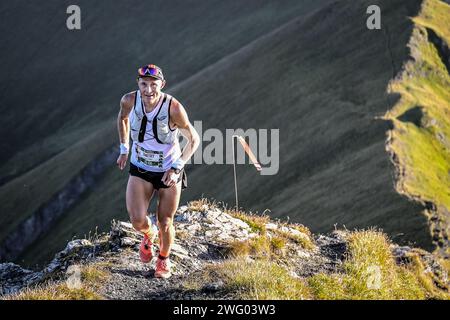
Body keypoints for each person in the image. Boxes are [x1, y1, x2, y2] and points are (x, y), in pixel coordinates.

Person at [116, 64, 200, 278]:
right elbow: (122, 119)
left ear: (162, 84)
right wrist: (124, 149)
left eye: (154, 85)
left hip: (167, 171)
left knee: (166, 221)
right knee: (137, 220)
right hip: (140, 168)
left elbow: (194, 139)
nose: (148, 90)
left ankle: (163, 260)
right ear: (138, 84)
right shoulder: (129, 100)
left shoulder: (173, 108)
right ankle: (148, 234)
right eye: (144, 84)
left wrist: (176, 167)